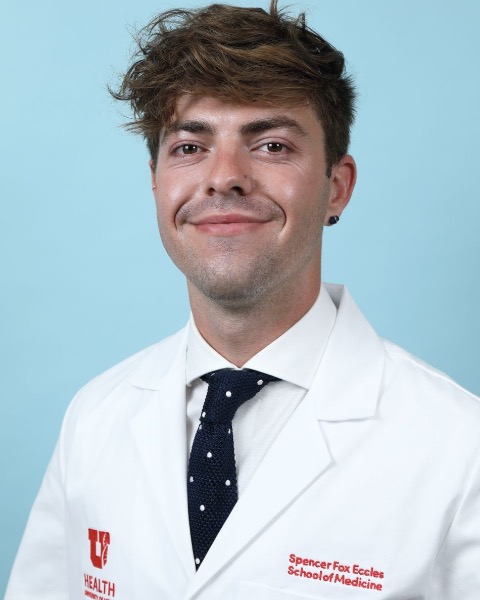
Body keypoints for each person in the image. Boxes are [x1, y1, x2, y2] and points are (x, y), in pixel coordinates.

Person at [6, 1, 480, 598]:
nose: (224, 175)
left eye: (272, 145)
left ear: (337, 187)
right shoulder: (94, 419)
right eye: (189, 147)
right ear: (155, 182)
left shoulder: (460, 449)